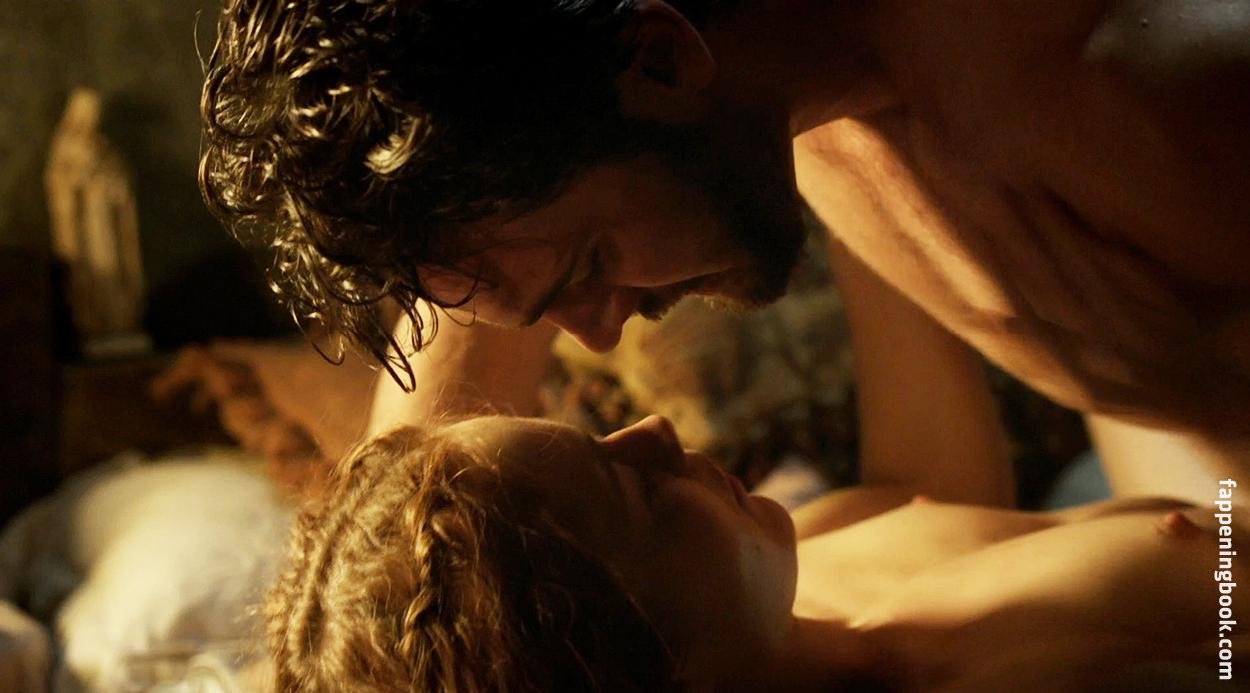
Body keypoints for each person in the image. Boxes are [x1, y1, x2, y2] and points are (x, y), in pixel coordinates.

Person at [198, 0, 1250, 469]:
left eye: (591, 267)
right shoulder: (560, 125)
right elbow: (404, 519)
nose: (593, 335)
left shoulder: (1137, 89)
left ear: (662, 61)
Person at [265, 244, 1244, 691]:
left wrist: (856, 208)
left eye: (599, 438)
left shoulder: (791, 591)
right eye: (631, 488)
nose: (651, 429)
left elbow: (932, 498)